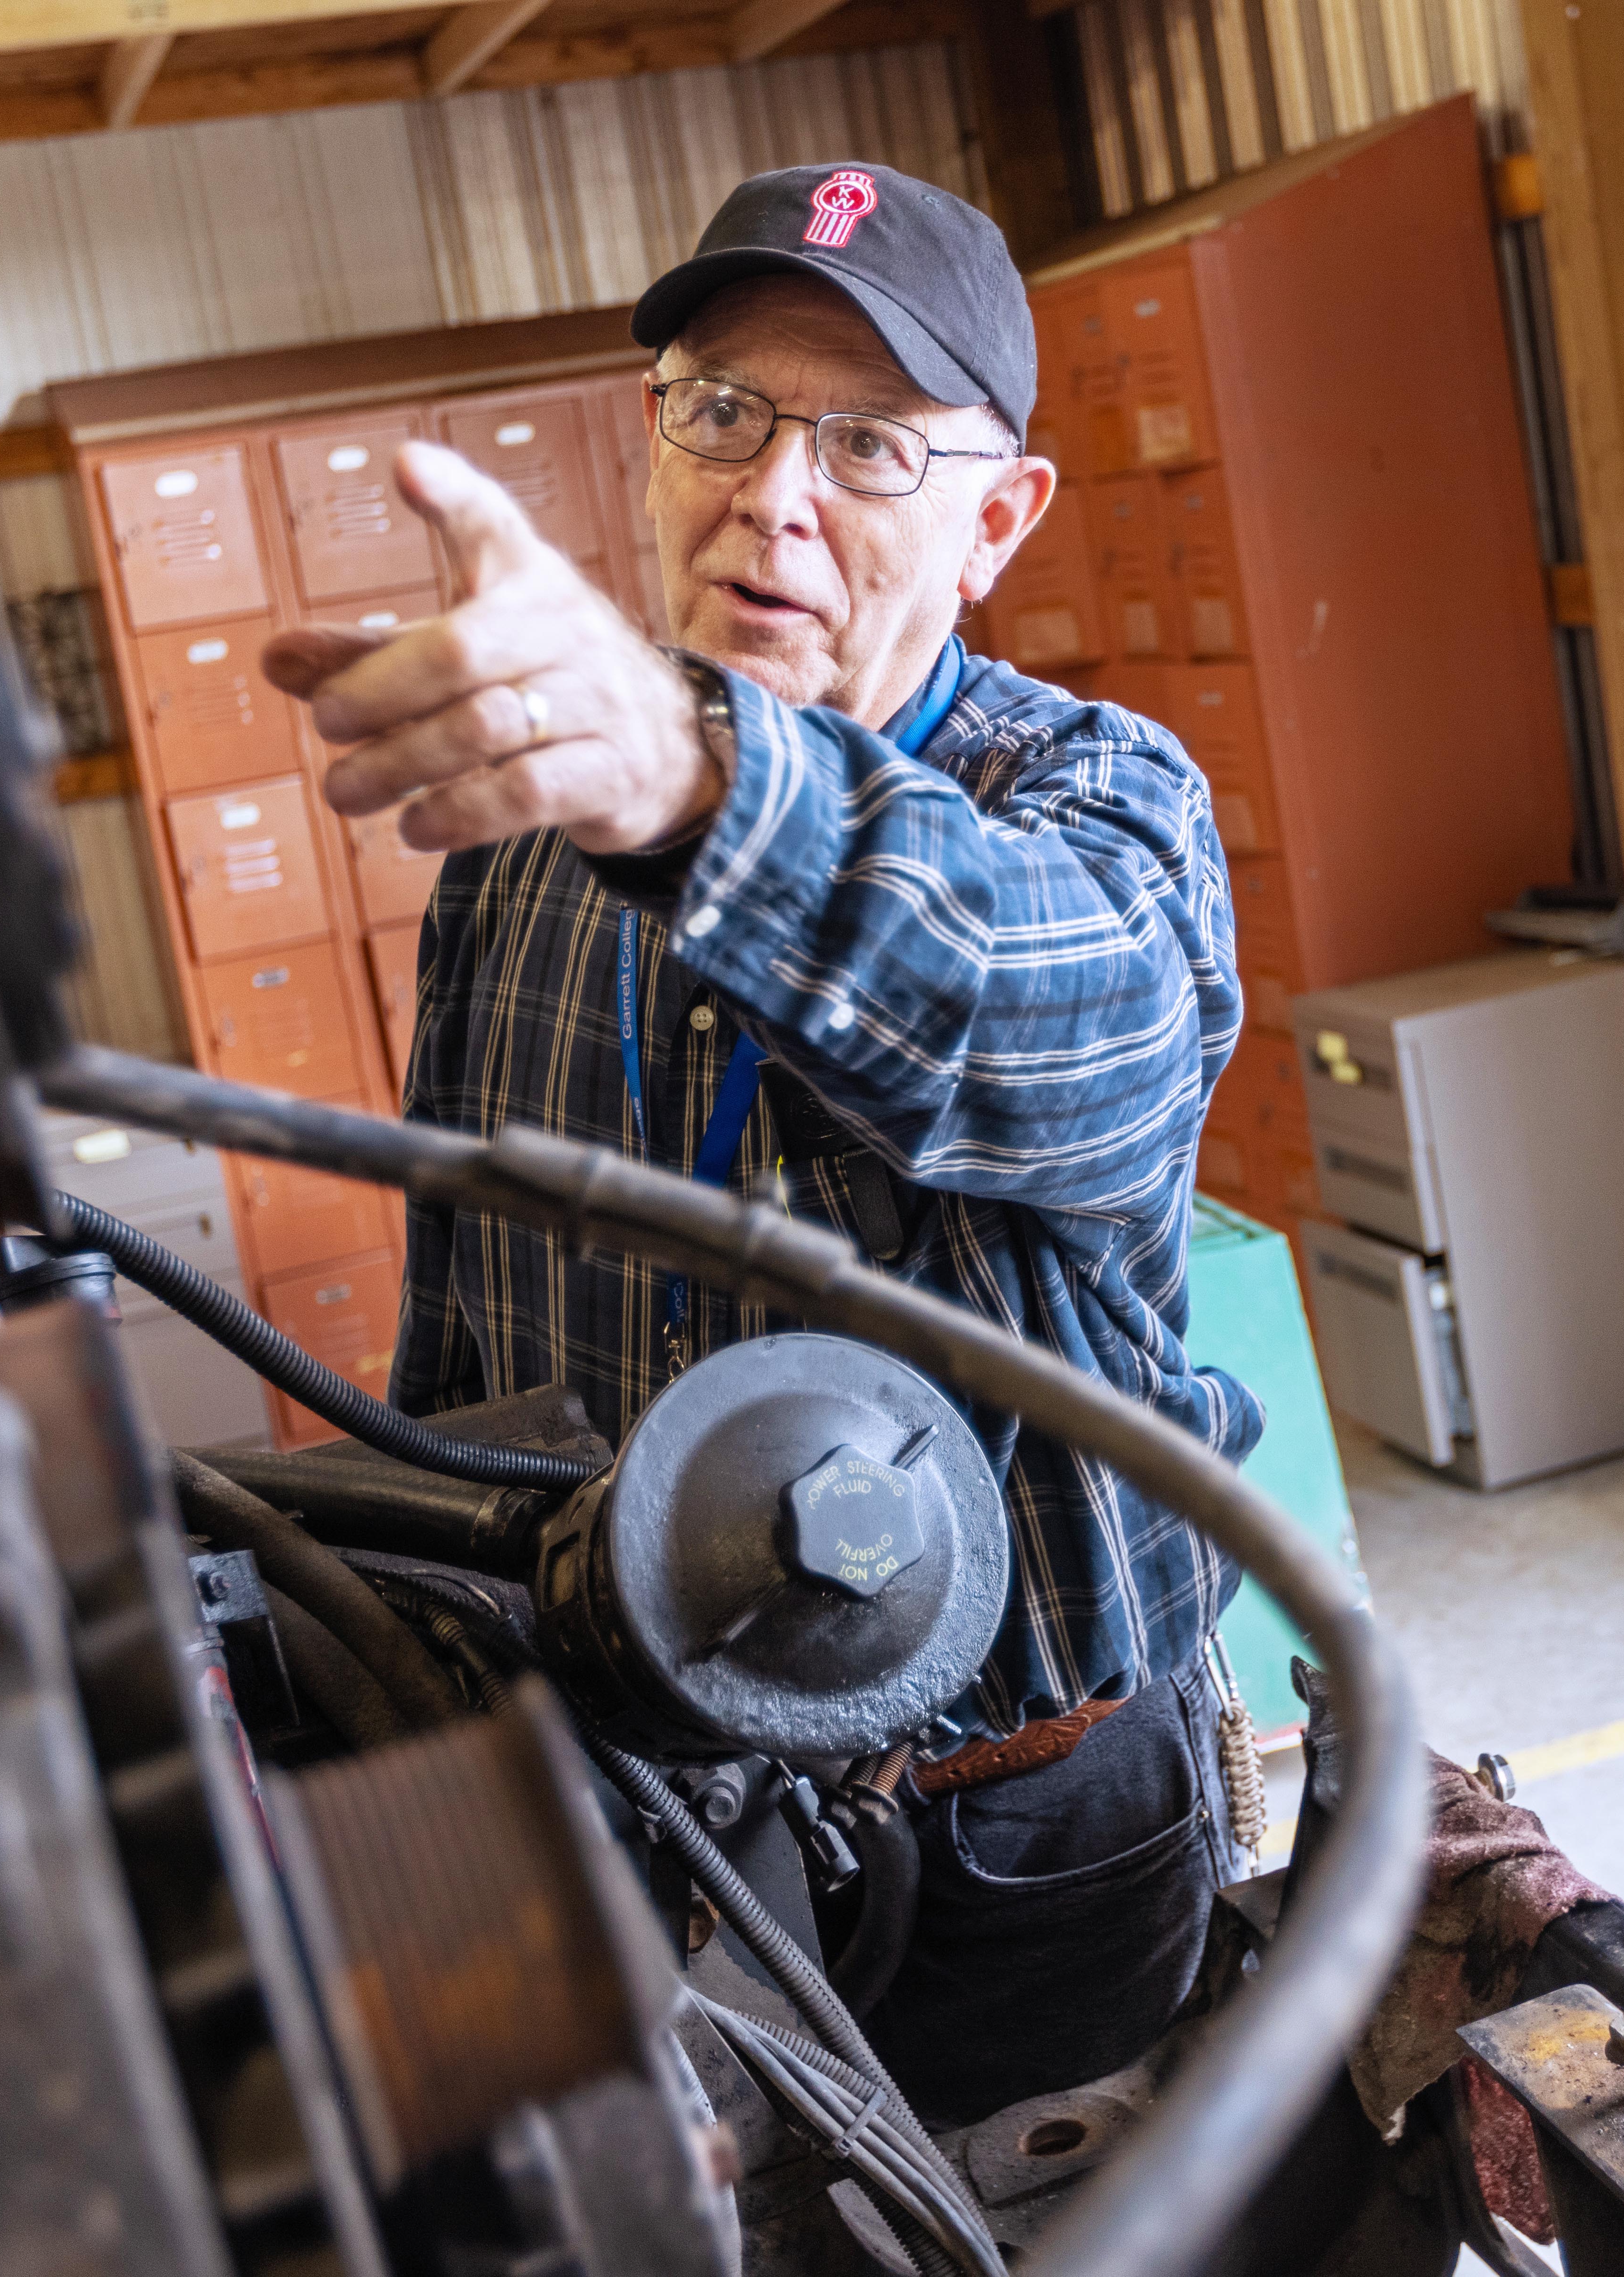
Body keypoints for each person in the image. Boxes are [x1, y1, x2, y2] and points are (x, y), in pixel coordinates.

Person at [256, 162, 1257, 2125]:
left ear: (999, 518)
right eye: (723, 410)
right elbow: (467, 1338)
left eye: (873, 448)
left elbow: (1053, 1025)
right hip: (658, 1804)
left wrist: (700, 786)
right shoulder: (539, 843)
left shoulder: (1093, 803)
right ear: (652, 441)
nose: (773, 495)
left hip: (1016, 1822)